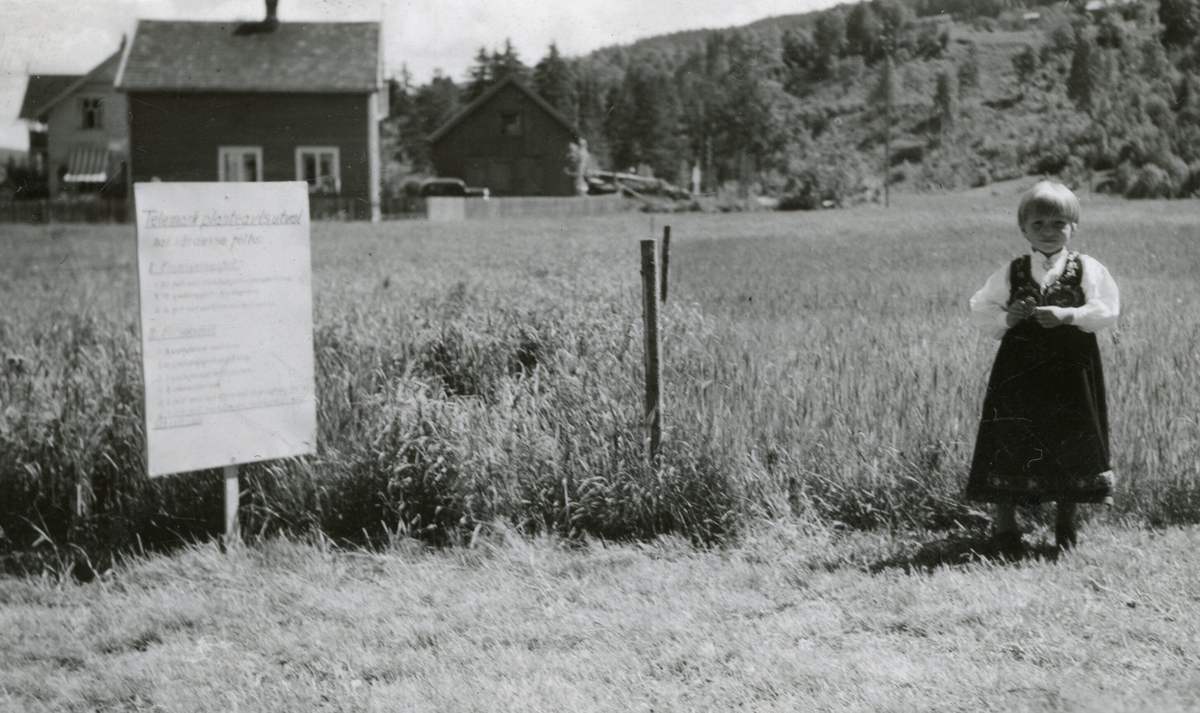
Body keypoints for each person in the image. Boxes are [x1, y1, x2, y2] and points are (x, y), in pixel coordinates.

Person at [967, 181, 1120, 554]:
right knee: (1012, 435)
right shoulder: (1012, 271)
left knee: (1070, 436)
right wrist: (1009, 318)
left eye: (1058, 224)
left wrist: (1069, 313)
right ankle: (1006, 528)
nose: (1048, 232)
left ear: (1074, 227)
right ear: (1023, 229)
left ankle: (1065, 524)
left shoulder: (1087, 268)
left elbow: (1107, 309)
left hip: (1072, 370)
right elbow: (981, 308)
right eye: (1038, 225)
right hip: (1020, 371)